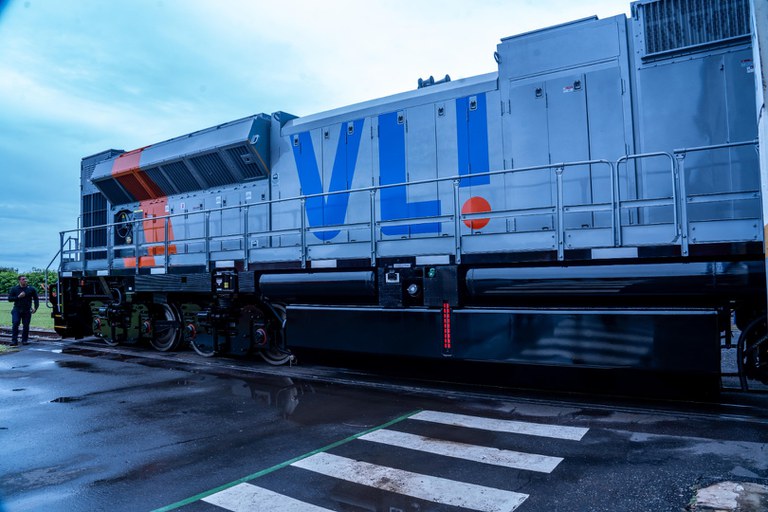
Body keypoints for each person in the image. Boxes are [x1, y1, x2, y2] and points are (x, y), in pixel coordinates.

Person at [8, 276, 39, 346]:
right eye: (23, 279)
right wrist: (18, 297)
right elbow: (9, 299)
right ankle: (14, 341)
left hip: (27, 310)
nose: (25, 280)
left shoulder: (31, 289)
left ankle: (24, 340)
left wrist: (35, 307)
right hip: (17, 309)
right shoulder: (14, 289)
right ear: (19, 280)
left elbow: (36, 299)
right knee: (15, 323)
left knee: (26, 325)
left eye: (26, 279)